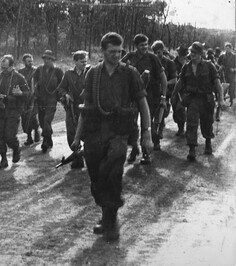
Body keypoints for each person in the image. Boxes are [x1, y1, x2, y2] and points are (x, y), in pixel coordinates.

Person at [71, 32, 152, 241]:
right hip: (95, 132)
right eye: (112, 52)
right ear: (103, 51)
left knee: (113, 172)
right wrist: (77, 136)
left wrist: (147, 134)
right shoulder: (92, 74)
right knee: (97, 178)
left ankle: (110, 219)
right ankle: (106, 213)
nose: (116, 55)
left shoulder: (130, 73)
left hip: (118, 132)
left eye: (119, 51)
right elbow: (85, 107)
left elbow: (143, 104)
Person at [173, 41, 226, 161]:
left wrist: (221, 99)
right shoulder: (186, 66)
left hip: (207, 99)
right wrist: (174, 94)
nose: (193, 54)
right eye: (191, 52)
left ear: (201, 53)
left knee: (207, 122)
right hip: (193, 99)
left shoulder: (209, 66)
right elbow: (180, 81)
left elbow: (217, 83)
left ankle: (208, 142)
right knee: (191, 123)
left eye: (195, 53)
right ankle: (192, 149)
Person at [121, 34, 167, 163]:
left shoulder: (152, 58)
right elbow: (119, 69)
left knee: (147, 125)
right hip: (133, 97)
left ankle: (146, 152)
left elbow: (163, 78)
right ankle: (134, 148)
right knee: (131, 124)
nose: (145, 47)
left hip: (150, 96)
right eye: (142, 45)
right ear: (136, 46)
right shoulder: (129, 57)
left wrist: (163, 96)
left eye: (146, 44)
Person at [0, 54, 29, 169]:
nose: (3, 70)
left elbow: (29, 95)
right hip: (1, 110)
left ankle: (16, 148)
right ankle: (3, 159)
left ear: (12, 66)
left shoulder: (19, 78)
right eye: (2, 68)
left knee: (9, 136)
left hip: (14, 110)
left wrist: (21, 93)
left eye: (6, 68)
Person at [57, 50, 89, 169]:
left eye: (86, 61)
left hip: (87, 108)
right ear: (75, 62)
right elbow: (60, 88)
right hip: (72, 109)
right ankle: (77, 157)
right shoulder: (69, 74)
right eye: (82, 62)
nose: (84, 64)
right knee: (72, 132)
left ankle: (87, 154)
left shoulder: (90, 73)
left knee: (87, 132)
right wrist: (66, 94)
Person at [34, 50, 64, 153]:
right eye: (45, 59)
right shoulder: (39, 70)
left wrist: (62, 97)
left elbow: (63, 85)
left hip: (52, 99)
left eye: (49, 59)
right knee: (42, 122)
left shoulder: (58, 71)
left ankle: (45, 141)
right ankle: (49, 137)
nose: (46, 61)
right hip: (40, 99)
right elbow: (34, 82)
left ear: (52, 60)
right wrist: (35, 92)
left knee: (47, 119)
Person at [151, 40, 177, 149]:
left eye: (159, 52)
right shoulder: (151, 62)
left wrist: (165, 83)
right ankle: (154, 136)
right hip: (152, 93)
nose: (157, 55)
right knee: (150, 118)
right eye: (155, 52)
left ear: (163, 51)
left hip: (164, 93)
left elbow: (174, 79)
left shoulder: (169, 63)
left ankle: (157, 139)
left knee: (160, 115)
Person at [18, 53, 40, 146]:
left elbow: (40, 84)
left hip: (34, 98)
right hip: (23, 98)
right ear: (24, 62)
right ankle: (29, 137)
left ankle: (36, 130)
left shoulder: (37, 71)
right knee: (24, 118)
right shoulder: (20, 72)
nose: (30, 63)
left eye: (31, 61)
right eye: (28, 61)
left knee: (32, 116)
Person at [172, 46, 189, 136]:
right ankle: (180, 127)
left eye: (184, 54)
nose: (182, 56)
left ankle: (185, 128)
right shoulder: (173, 63)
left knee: (182, 108)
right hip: (176, 88)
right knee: (176, 108)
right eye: (181, 54)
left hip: (186, 89)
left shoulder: (188, 62)